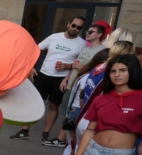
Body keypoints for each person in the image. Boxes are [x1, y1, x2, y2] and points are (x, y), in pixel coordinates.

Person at [12, 16, 88, 145]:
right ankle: (24, 130)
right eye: (74, 25)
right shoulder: (54, 37)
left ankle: (45, 134)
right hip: (43, 75)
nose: (75, 29)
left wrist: (67, 67)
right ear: (68, 24)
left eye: (78, 27)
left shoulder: (81, 44)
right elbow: (36, 49)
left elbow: (79, 64)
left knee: (53, 105)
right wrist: (31, 67)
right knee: (33, 102)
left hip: (60, 79)